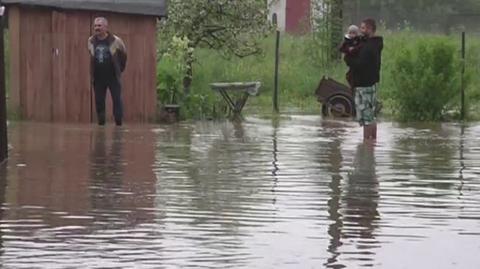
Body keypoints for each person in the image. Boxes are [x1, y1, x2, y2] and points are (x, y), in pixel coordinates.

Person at [345, 18, 383, 141]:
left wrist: (348, 58)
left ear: (369, 29)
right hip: (370, 83)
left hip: (364, 85)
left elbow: (359, 64)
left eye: (362, 28)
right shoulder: (374, 43)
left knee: (367, 117)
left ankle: (367, 144)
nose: (360, 31)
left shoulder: (368, 47)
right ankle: (372, 143)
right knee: (371, 116)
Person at [88, 17, 127, 126]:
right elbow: (91, 57)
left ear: (106, 27)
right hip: (98, 77)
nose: (97, 28)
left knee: (117, 100)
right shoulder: (91, 41)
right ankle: (101, 126)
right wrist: (92, 75)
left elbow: (124, 55)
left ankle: (119, 125)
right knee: (99, 102)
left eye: (99, 26)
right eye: (95, 26)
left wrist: (120, 69)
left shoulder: (115, 40)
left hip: (113, 76)